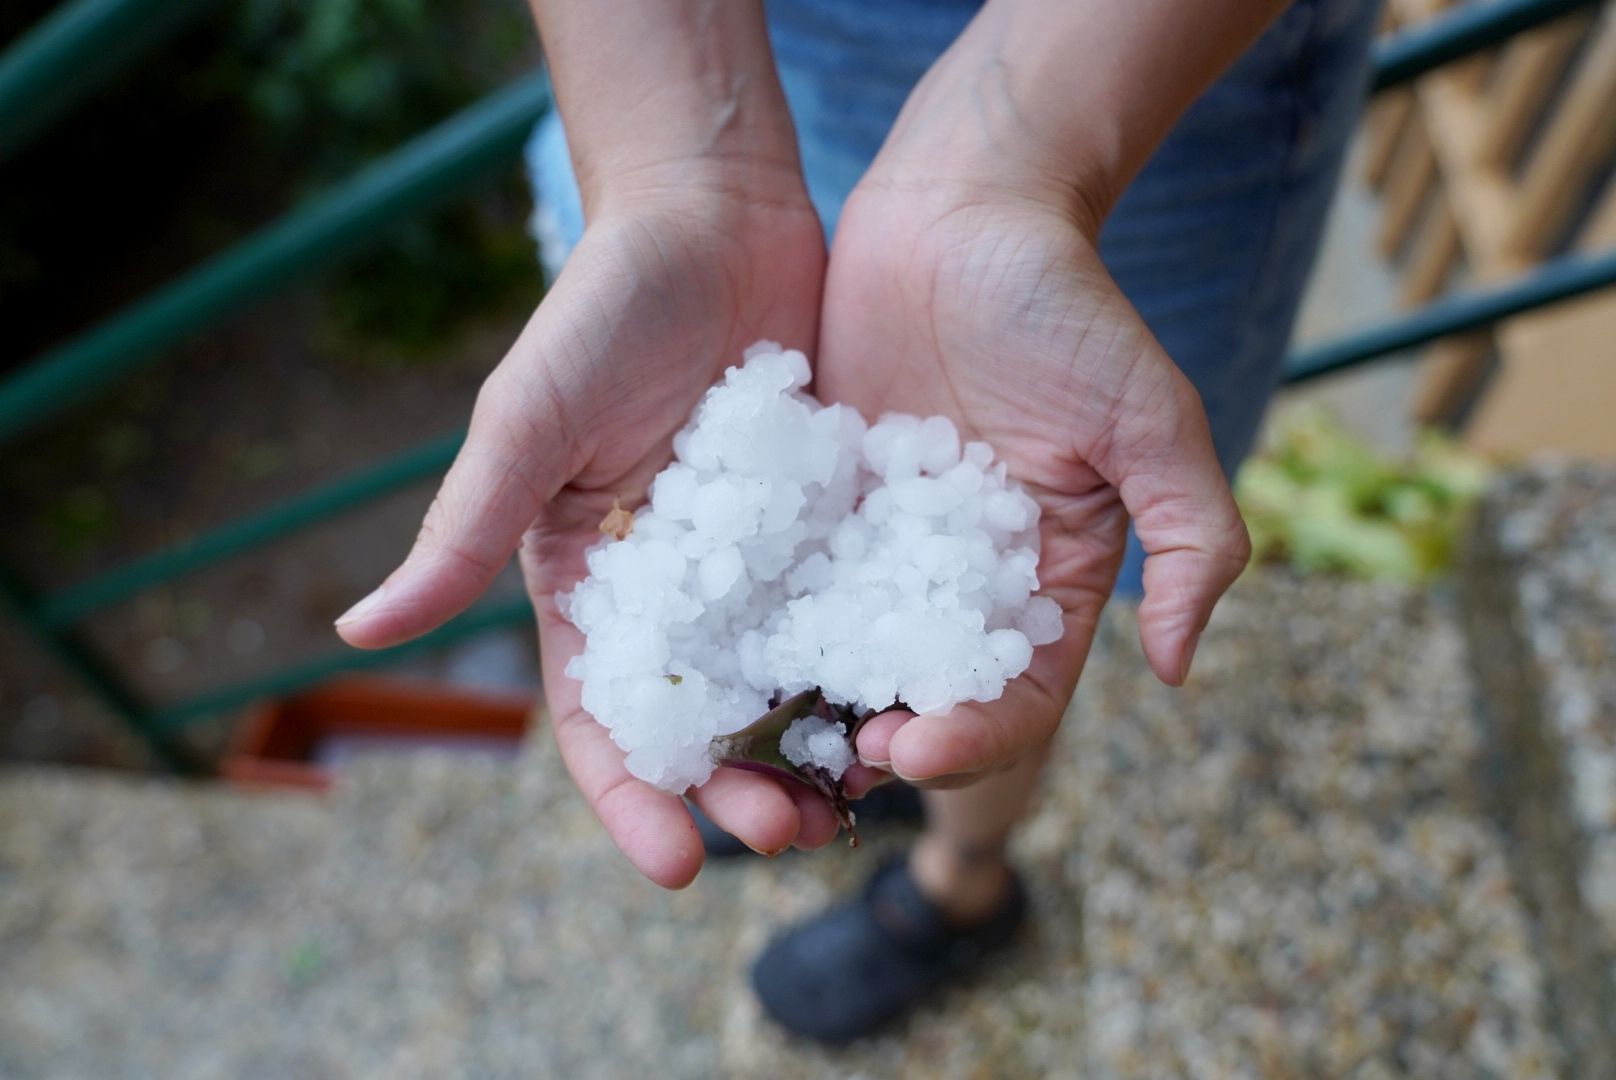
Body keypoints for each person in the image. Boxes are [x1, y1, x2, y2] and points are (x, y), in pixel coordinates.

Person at [336, 0, 1380, 1044]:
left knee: (1038, 550)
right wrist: (679, 176)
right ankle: (833, 755)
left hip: (1140, 64)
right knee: (940, 651)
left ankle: (961, 881)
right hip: (710, 53)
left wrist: (1008, 173)